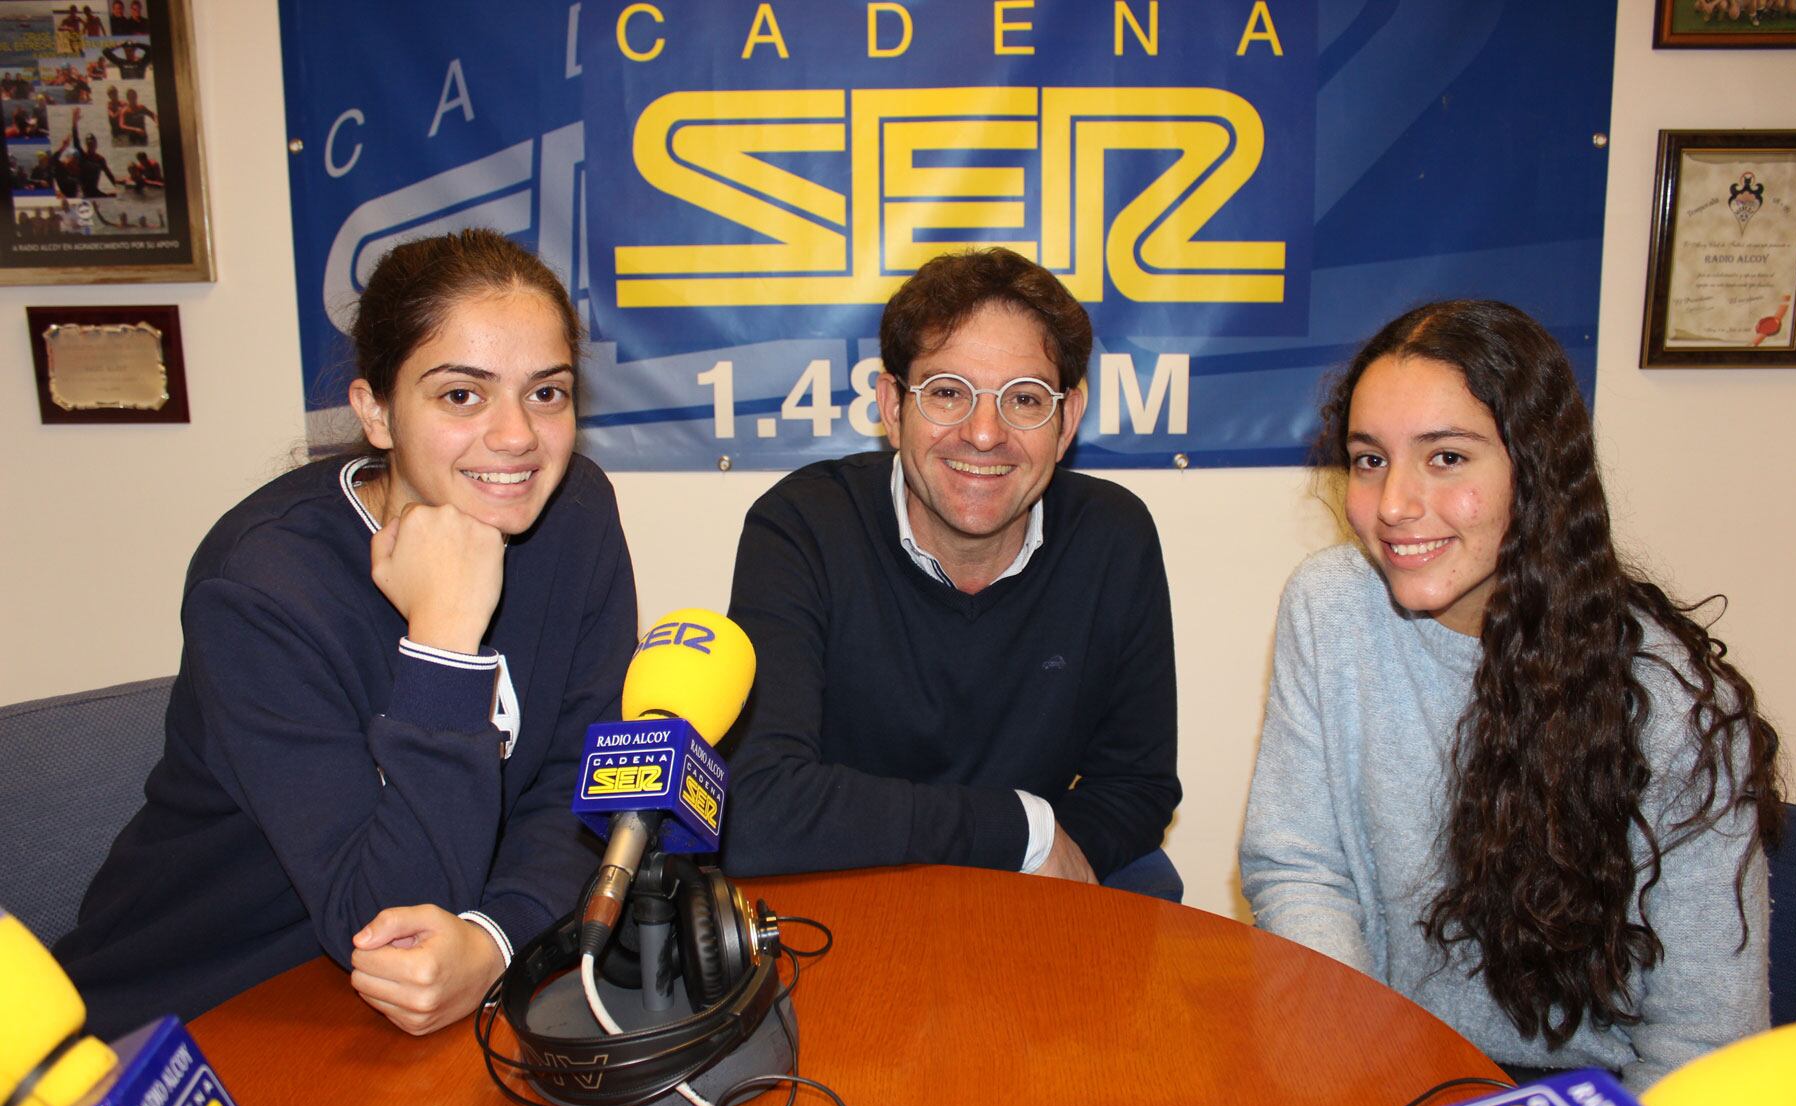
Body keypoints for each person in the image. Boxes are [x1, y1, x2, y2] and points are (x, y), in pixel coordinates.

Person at [56, 229, 638, 1039]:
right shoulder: (262, 586)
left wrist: (497, 937)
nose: (517, 436)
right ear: (376, 411)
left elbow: (585, 776)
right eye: (461, 395)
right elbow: (384, 917)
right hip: (202, 1011)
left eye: (547, 392)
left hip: (417, 1001)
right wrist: (444, 642)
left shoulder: (575, 513)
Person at [1239, 299, 1782, 1092]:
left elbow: (1705, 1040)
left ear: (1537, 469)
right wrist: (1354, 1056)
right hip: (1382, 1054)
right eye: (1369, 459)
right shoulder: (1330, 605)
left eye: (1446, 457)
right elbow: (1300, 866)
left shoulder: (1671, 706)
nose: (1394, 505)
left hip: (1591, 1102)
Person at [722, 247, 1182, 898]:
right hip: (850, 883)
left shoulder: (1113, 537)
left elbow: (1137, 785)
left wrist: (1035, 860)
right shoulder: (802, 527)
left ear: (1067, 421)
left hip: (1026, 894)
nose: (984, 433)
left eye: (1025, 399)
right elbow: (759, 806)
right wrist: (1018, 830)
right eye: (946, 392)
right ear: (892, 405)